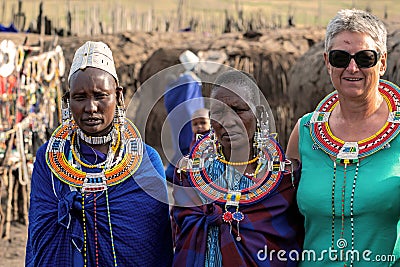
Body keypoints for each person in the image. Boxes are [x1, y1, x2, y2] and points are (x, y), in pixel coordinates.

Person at [25, 41, 173, 266]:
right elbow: (41, 240)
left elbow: (152, 247)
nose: (91, 107)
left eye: (100, 95)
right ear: (68, 101)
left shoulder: (146, 162)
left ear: (119, 97)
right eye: (80, 97)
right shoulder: (48, 160)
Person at [286, 9, 400, 266]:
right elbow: (277, 211)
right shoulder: (304, 132)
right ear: (327, 62)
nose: (352, 68)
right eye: (340, 58)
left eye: (365, 58)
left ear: (382, 62)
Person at [172, 70, 304, 266]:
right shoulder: (189, 173)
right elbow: (181, 233)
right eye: (218, 113)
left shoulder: (284, 178)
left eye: (239, 110)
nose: (227, 121)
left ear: (258, 114)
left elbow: (286, 244)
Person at [164, 50, 204, 183]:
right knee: (186, 145)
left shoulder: (187, 79)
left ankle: (175, 174)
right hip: (188, 118)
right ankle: (176, 175)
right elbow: (188, 102)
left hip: (188, 117)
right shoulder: (188, 79)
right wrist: (194, 116)